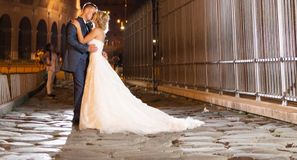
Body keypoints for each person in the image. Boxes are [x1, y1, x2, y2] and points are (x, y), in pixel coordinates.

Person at [71, 11, 204, 134]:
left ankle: (96, 117)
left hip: (97, 62)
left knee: (98, 89)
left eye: (95, 15)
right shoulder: (101, 32)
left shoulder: (96, 30)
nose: (93, 16)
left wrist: (77, 26)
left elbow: (82, 41)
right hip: (98, 60)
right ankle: (98, 116)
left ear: (97, 19)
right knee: (100, 89)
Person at [62, 2, 100, 126]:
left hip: (88, 61)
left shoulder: (88, 25)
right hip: (77, 60)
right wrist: (86, 49)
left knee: (86, 87)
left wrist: (101, 52)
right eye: (93, 12)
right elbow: (70, 41)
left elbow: (91, 41)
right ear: (87, 10)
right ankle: (77, 116)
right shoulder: (73, 23)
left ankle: (84, 114)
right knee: (80, 86)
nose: (94, 15)